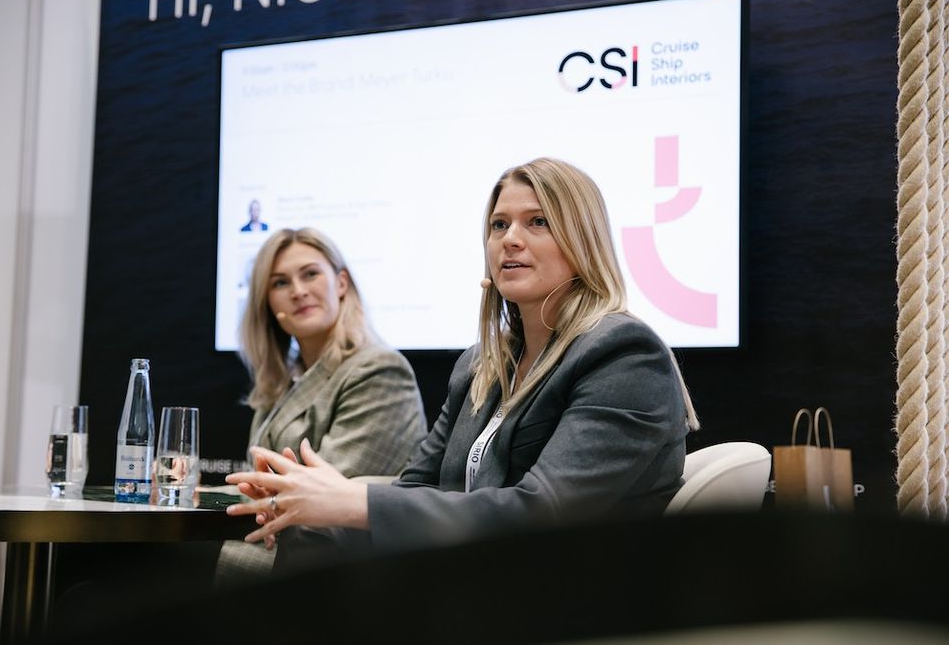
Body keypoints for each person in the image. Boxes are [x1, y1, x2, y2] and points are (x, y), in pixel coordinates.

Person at [226, 158, 698, 559]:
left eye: (538, 222)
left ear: (583, 241)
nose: (510, 239)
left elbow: (541, 513)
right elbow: (418, 490)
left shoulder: (623, 354)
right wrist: (316, 501)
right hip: (463, 586)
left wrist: (352, 501)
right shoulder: (481, 365)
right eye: (499, 225)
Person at [217, 227, 426, 580]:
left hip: (339, 569)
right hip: (278, 546)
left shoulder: (378, 370)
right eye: (280, 283)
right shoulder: (283, 380)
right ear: (267, 303)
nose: (298, 292)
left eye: (311, 274)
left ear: (341, 284)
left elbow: (324, 495)